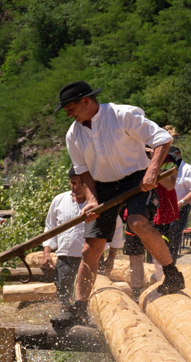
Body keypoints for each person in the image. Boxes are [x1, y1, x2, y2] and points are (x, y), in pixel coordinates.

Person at [54, 80, 183, 330]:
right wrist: (91, 200)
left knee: (138, 222)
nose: (68, 114)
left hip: (136, 178)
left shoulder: (123, 114)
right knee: (91, 248)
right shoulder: (74, 133)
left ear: (86, 101)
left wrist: (152, 170)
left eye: (70, 108)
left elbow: (162, 138)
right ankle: (79, 308)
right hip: (102, 187)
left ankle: (172, 274)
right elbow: (82, 171)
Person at [41, 171, 90, 318]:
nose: (76, 186)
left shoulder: (95, 202)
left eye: (80, 183)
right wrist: (47, 252)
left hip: (90, 259)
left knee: (91, 294)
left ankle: (88, 321)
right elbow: (50, 228)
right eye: (73, 182)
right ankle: (67, 321)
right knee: (64, 293)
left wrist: (111, 257)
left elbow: (116, 229)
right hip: (65, 257)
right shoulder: (59, 200)